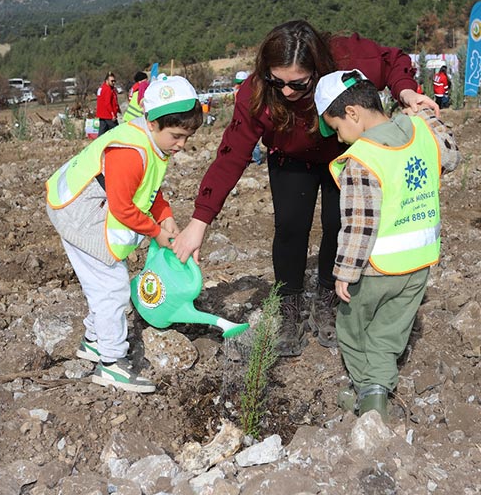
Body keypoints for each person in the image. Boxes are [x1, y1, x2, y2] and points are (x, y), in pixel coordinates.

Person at [172, 20, 438, 356]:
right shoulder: (255, 92)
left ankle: (329, 299)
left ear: (318, 69)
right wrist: (200, 221)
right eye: (276, 81)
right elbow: (231, 154)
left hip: (344, 153)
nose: (285, 92)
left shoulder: (347, 57)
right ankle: (289, 307)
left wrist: (405, 90)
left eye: (297, 84)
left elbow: (392, 60)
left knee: (338, 223)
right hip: (290, 158)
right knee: (290, 227)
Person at [314, 70, 458, 421]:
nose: (339, 138)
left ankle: (370, 400)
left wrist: (343, 273)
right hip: (419, 263)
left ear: (352, 114)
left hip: (376, 268)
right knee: (389, 334)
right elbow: (451, 157)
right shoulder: (420, 131)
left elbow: (359, 225)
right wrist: (423, 113)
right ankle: (375, 391)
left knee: (354, 331)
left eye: (336, 128)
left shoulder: (361, 159)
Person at [47, 76, 202, 392]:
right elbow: (121, 207)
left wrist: (166, 217)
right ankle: (112, 364)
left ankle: (93, 342)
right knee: (113, 290)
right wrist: (156, 232)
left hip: (87, 209)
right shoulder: (130, 151)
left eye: (188, 136)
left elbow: (150, 189)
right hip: (79, 214)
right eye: (177, 135)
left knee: (102, 284)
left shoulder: (154, 145)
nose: (182, 144)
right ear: (153, 122)